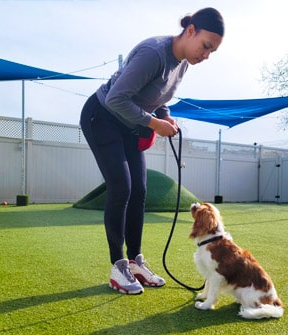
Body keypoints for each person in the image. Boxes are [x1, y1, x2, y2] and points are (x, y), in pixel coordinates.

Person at [80, 7, 224, 295]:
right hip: (102, 117)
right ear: (191, 30)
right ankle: (118, 266)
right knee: (121, 188)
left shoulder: (182, 63)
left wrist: (165, 114)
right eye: (206, 46)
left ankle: (135, 262)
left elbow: (159, 96)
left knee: (140, 192)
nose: (206, 55)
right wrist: (154, 123)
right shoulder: (153, 53)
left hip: (128, 125)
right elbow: (115, 98)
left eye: (212, 52)